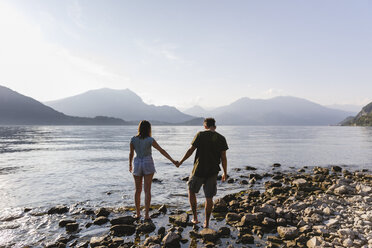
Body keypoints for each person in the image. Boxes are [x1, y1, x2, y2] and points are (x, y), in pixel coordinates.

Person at [177, 118, 228, 228]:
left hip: (199, 170)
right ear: (215, 126)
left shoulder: (200, 135)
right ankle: (207, 222)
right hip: (213, 171)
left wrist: (181, 161)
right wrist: (225, 172)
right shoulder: (221, 138)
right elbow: (223, 158)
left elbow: (191, 150)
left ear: (205, 126)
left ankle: (195, 218)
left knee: (191, 190)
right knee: (209, 197)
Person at [129, 120, 178, 221]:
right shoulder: (150, 139)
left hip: (137, 162)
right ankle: (146, 215)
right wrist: (173, 160)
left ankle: (138, 214)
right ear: (148, 129)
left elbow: (131, 154)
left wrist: (130, 164)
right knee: (147, 190)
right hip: (148, 162)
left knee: (137, 190)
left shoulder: (133, 139)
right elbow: (162, 151)